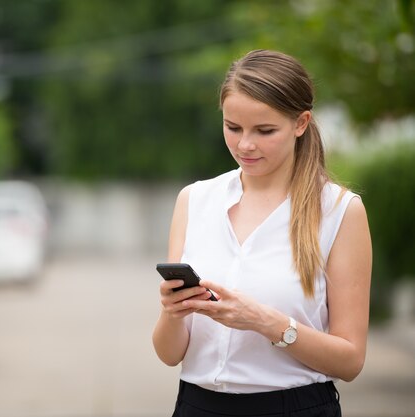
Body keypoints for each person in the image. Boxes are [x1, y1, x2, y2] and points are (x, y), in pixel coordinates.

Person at [152, 49, 372, 417]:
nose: (245, 145)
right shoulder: (194, 200)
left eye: (264, 130)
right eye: (232, 127)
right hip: (196, 404)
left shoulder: (339, 211)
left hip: (294, 408)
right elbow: (169, 354)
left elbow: (350, 361)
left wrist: (267, 323)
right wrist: (173, 313)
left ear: (301, 123)